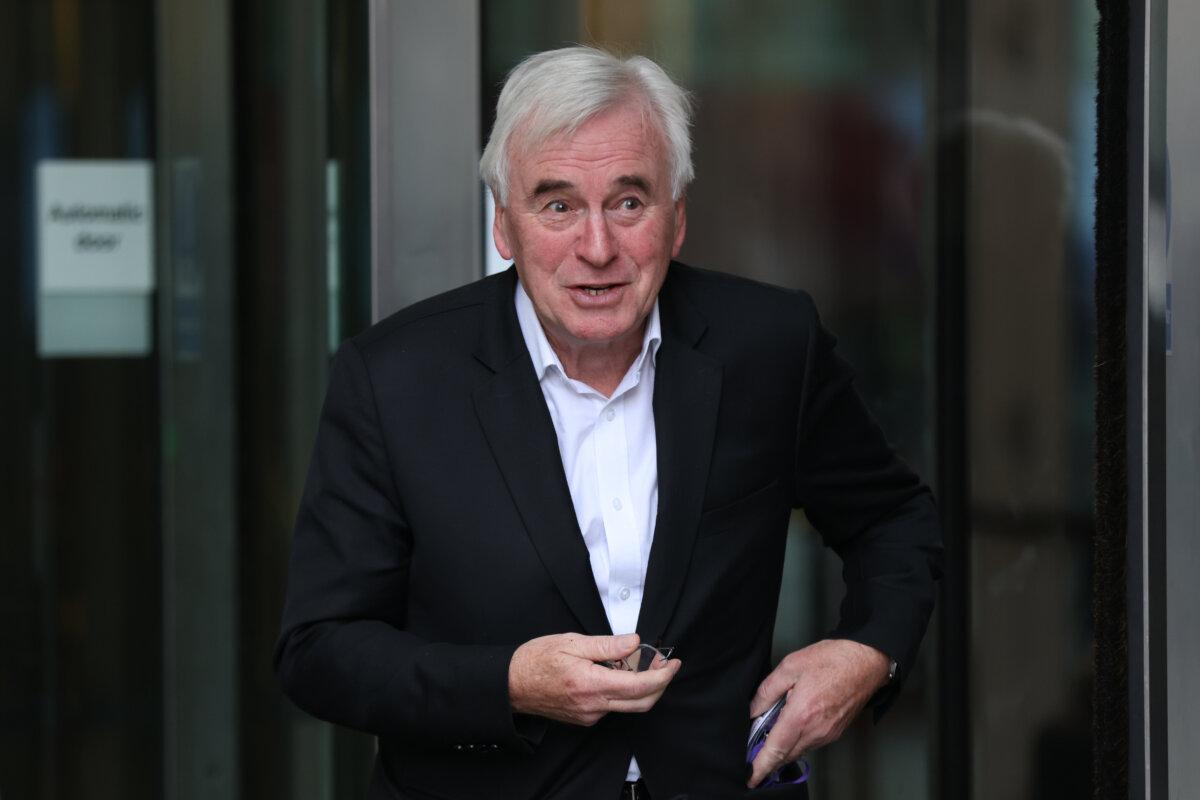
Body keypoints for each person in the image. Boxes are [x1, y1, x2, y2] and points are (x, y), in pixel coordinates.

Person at [276, 46, 943, 800]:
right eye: (557, 205)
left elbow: (893, 517)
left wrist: (866, 653)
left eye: (629, 203)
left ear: (677, 219)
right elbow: (319, 650)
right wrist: (507, 683)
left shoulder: (768, 346)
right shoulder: (395, 379)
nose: (598, 249)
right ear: (505, 226)